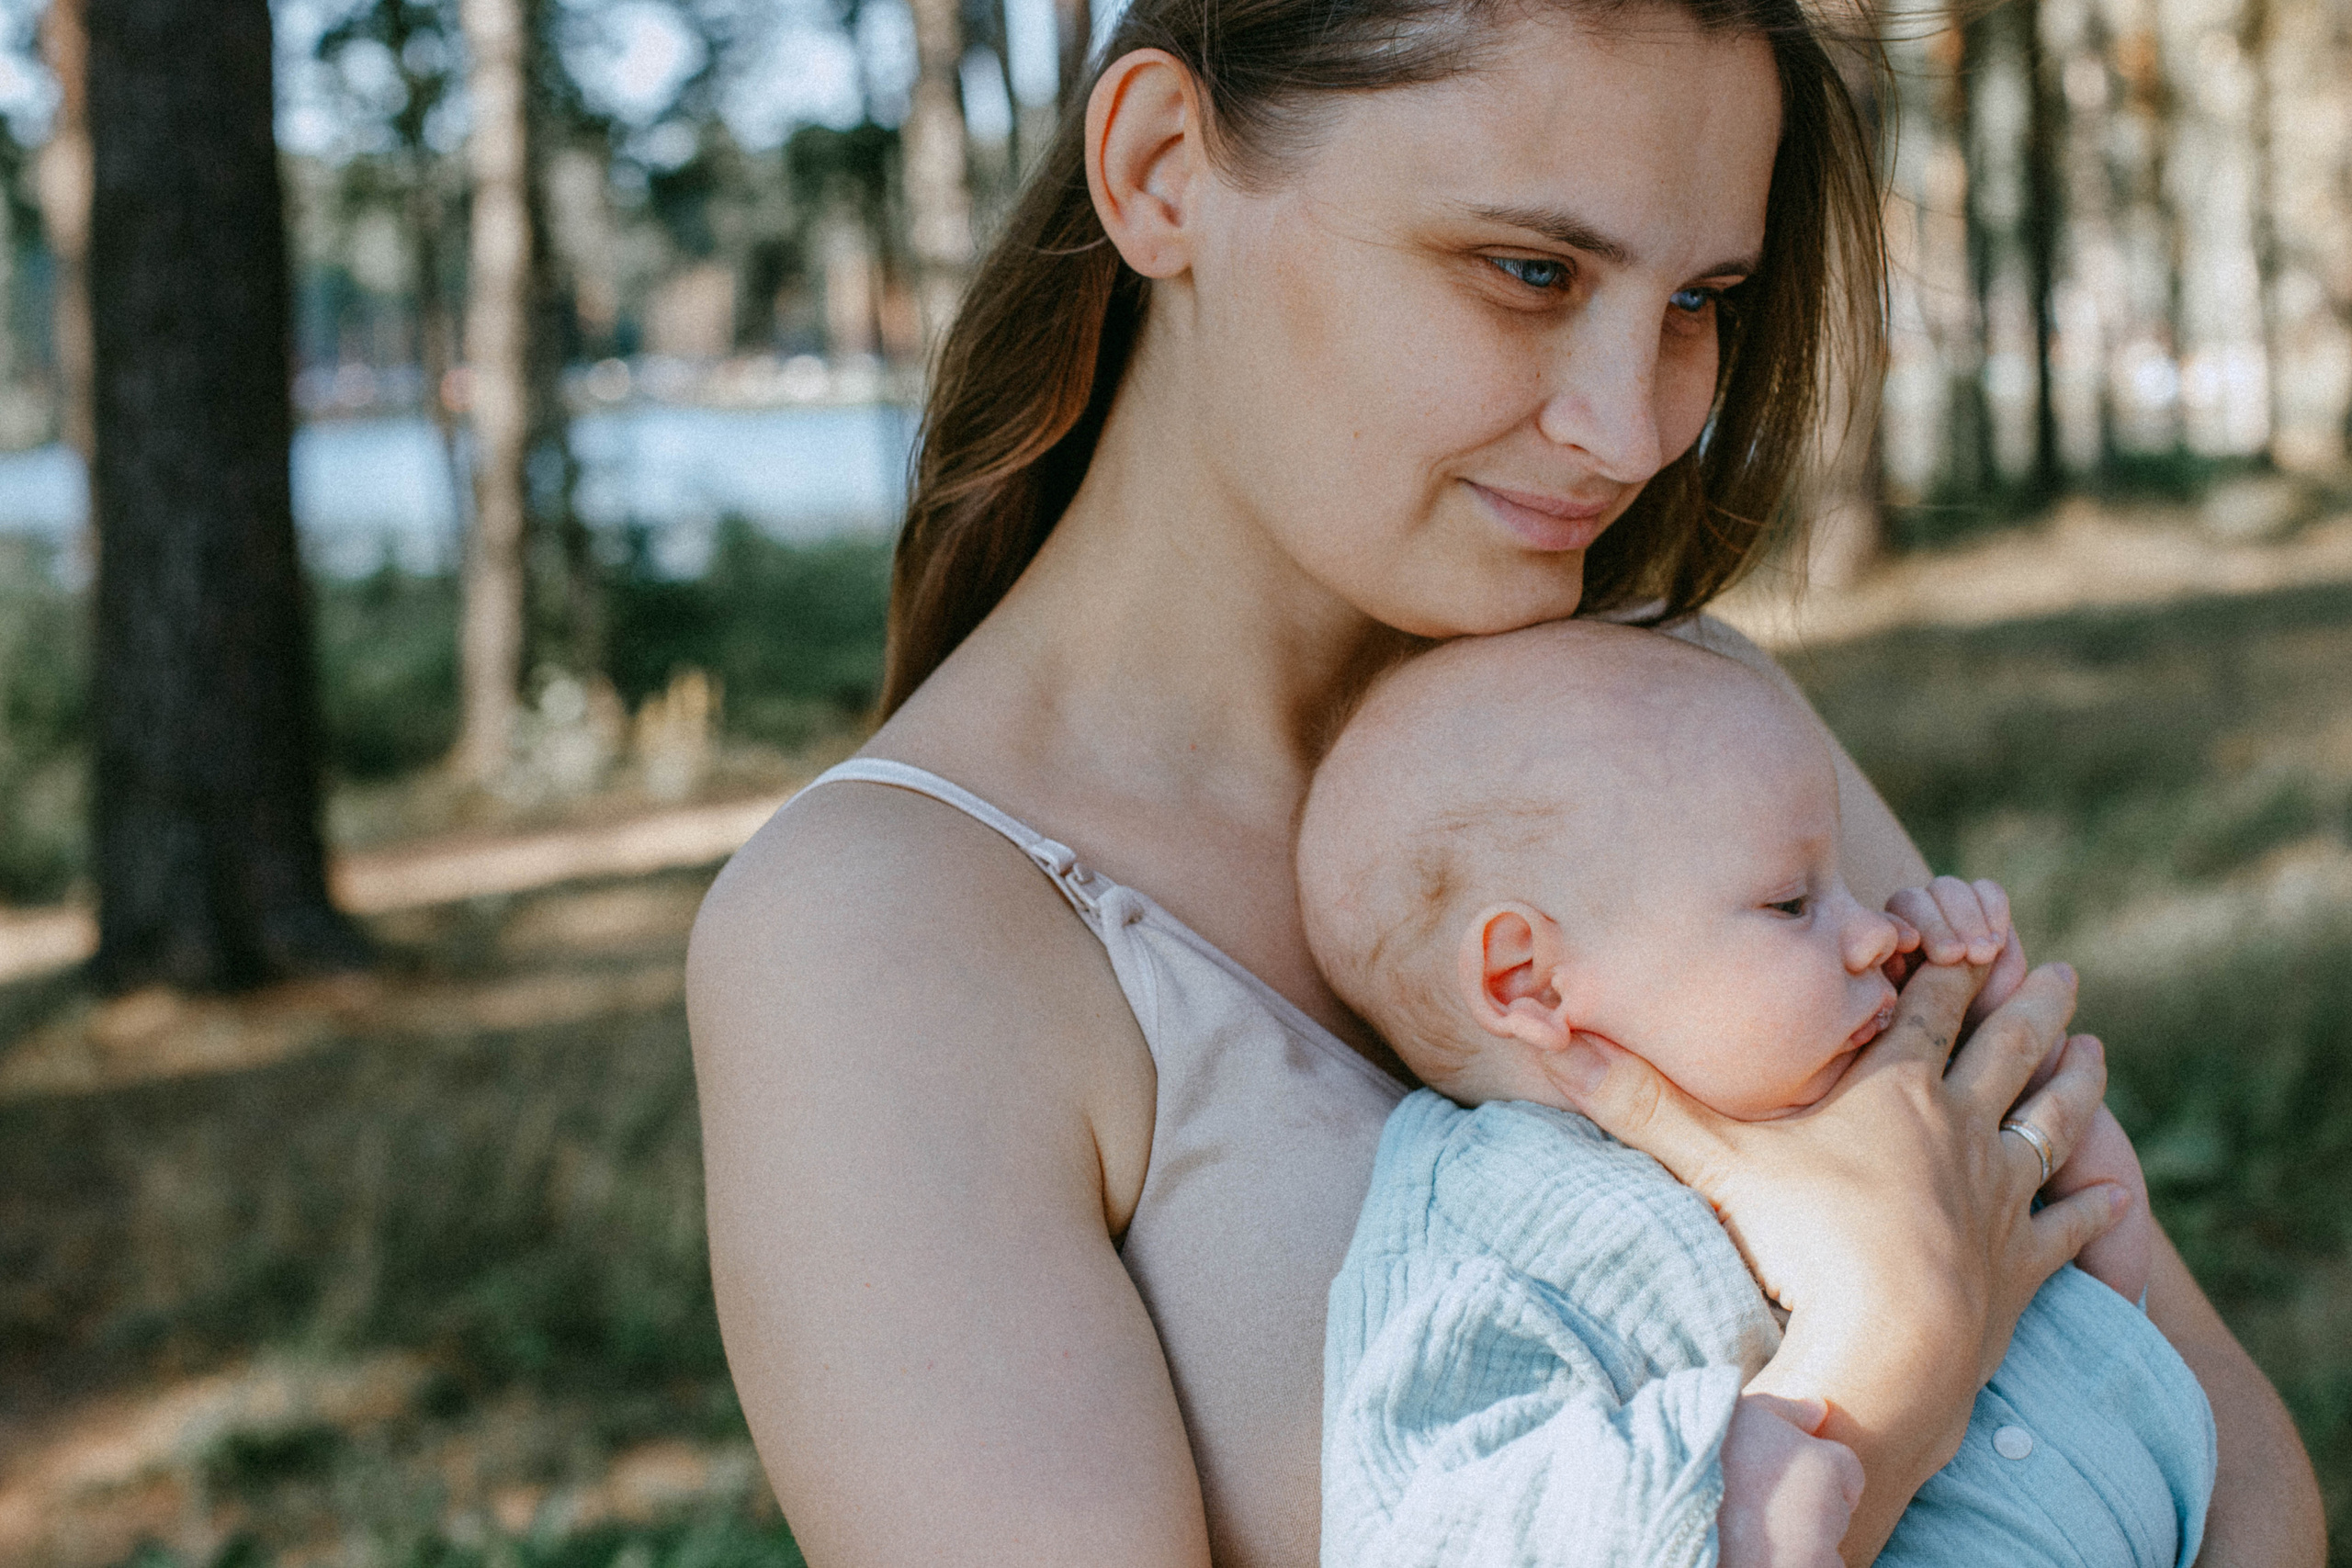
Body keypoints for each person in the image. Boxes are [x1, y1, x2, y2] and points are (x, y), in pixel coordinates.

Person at [683, 0, 2325, 1551]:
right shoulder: (880, 943)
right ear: (1160, 172)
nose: (1634, 427)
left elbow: (2240, 1469)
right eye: (1531, 269)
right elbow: (1942, 1309)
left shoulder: (1677, 715)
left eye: (1701, 303)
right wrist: (1883, 1372)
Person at [1303, 621, 2214, 1567]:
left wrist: (2007, 1076)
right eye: (1791, 903)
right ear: (1527, 980)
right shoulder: (1487, 1230)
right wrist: (1730, 1501)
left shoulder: (1854, 1096)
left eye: (1847, 888)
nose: (1877, 934)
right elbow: (1435, 1522)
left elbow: (2099, 1268)